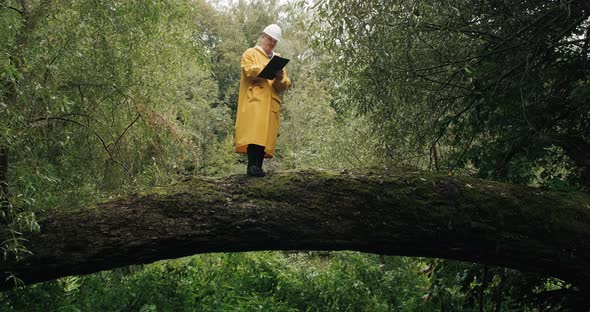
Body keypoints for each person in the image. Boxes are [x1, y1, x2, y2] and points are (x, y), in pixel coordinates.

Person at [234, 24, 291, 177]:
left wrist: (279, 77)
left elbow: (284, 84)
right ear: (263, 37)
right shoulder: (250, 53)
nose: (271, 43)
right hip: (255, 100)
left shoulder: (278, 60)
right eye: (269, 39)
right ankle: (252, 166)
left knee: (264, 136)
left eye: (274, 41)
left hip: (271, 103)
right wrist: (266, 67)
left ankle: (257, 167)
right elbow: (247, 70)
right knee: (254, 134)